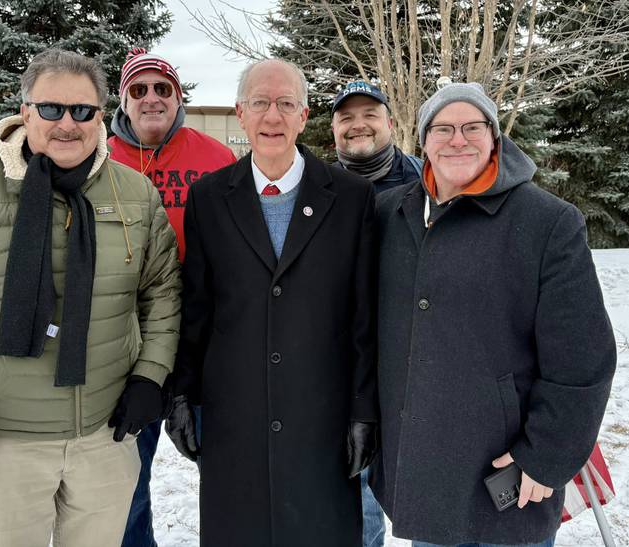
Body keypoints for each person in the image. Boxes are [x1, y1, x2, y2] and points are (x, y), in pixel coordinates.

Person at [0, 49, 181, 547]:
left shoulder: (134, 193)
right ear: (25, 111)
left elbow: (161, 295)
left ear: (101, 116)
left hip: (104, 437)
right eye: (51, 109)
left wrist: (150, 377)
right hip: (4, 444)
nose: (67, 124)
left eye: (82, 110)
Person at [371, 81, 617, 546]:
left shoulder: (547, 223)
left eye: (472, 126)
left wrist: (546, 456)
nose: (457, 139)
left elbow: (584, 360)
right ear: (423, 140)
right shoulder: (390, 213)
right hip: (426, 477)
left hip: (508, 479)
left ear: (495, 137)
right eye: (442, 128)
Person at [165, 59, 379, 547]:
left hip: (321, 418)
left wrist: (365, 409)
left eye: (286, 104)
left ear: (304, 116)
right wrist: (181, 392)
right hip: (234, 418)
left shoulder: (350, 197)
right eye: (260, 103)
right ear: (241, 113)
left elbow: (363, 316)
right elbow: (197, 307)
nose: (272, 116)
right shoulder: (208, 197)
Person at [107, 47, 236, 547]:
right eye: (138, 89)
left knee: (227, 478)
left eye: (163, 88)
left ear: (178, 97)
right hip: (124, 346)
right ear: (124, 100)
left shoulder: (215, 156)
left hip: (204, 344)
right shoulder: (98, 155)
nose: (152, 98)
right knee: (125, 486)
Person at [331, 80, 424, 547]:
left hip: (415, 361)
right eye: (346, 117)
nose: (358, 124)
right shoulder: (320, 187)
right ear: (332, 130)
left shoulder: (427, 182)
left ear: (390, 121)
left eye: (369, 113)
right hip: (349, 366)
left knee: (424, 497)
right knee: (357, 496)